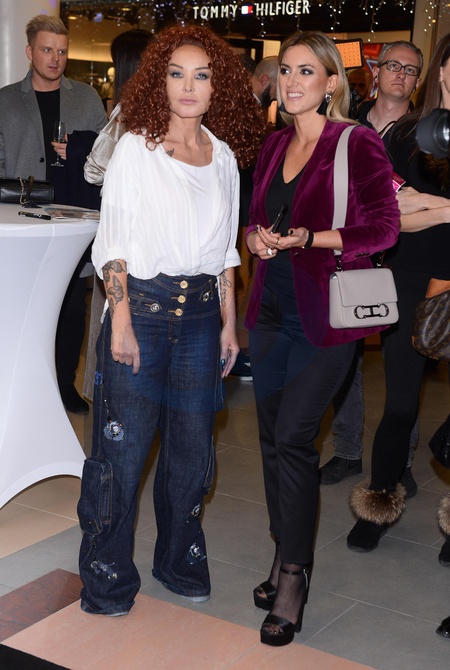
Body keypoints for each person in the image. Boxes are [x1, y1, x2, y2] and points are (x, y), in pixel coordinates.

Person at [77, 24, 265, 615]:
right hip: (142, 310)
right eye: (176, 74)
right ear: (159, 83)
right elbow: (113, 244)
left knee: (191, 453)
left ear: (217, 87)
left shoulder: (224, 157)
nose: (188, 86)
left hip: (203, 319)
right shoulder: (138, 148)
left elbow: (225, 252)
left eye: (201, 75)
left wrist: (229, 324)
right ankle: (107, 579)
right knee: (122, 454)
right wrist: (121, 322)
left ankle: (178, 559)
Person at [244, 31, 399, 646]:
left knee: (293, 437)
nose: (292, 81)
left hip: (327, 316)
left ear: (332, 82)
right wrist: (257, 238)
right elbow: (257, 218)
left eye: (307, 71)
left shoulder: (354, 142)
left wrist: (313, 238)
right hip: (270, 311)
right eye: (286, 70)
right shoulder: (273, 142)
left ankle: (295, 577)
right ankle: (283, 551)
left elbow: (383, 229)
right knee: (270, 441)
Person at [346, 33, 450, 553]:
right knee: (402, 403)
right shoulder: (408, 133)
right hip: (409, 276)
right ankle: (379, 501)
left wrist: (427, 204)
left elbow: (415, 205)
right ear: (443, 72)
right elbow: (393, 215)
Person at [320, 40, 423, 491]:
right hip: (350, 254)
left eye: (410, 69)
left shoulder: (427, 133)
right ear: (375, 71)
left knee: (406, 367)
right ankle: (347, 451)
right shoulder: (345, 123)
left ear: (419, 81)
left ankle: (400, 460)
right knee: (345, 359)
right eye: (392, 65)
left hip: (407, 260)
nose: (400, 74)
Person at [0, 14, 107, 414]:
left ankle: (63, 385)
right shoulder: (5, 100)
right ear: (30, 51)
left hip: (72, 222)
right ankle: (21, 385)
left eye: (61, 51)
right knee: (23, 307)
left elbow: (107, 155)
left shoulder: (87, 98)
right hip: (21, 221)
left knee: (71, 308)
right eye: (47, 50)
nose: (55, 58)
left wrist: (80, 151)